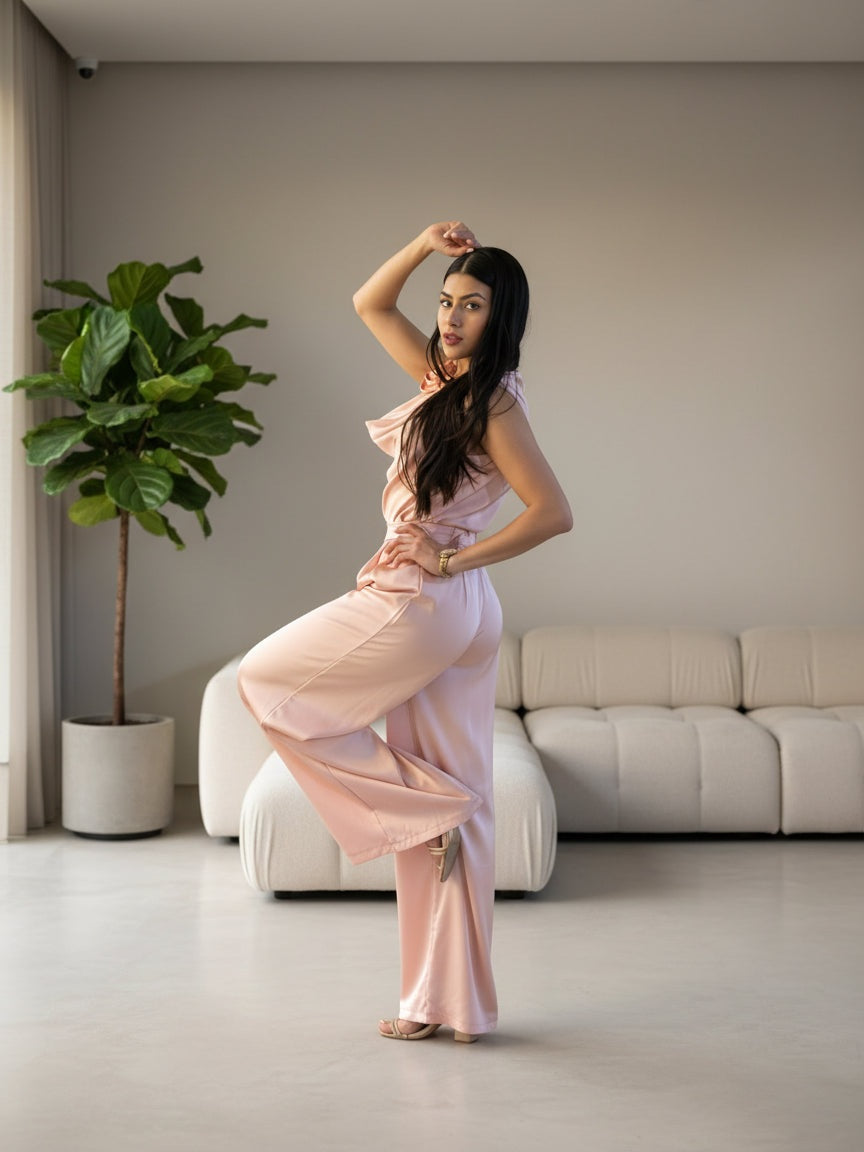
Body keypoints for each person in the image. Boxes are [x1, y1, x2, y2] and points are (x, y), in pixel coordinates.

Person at [237, 221, 572, 1044]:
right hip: (457, 609)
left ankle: (426, 808)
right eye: (448, 301)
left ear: (504, 318)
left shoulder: (491, 399)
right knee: (458, 811)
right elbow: (369, 301)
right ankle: (446, 1006)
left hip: (425, 596)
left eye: (474, 305)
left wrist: (454, 561)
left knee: (265, 681)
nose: (452, 317)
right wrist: (425, 245)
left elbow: (553, 513)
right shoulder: (445, 382)